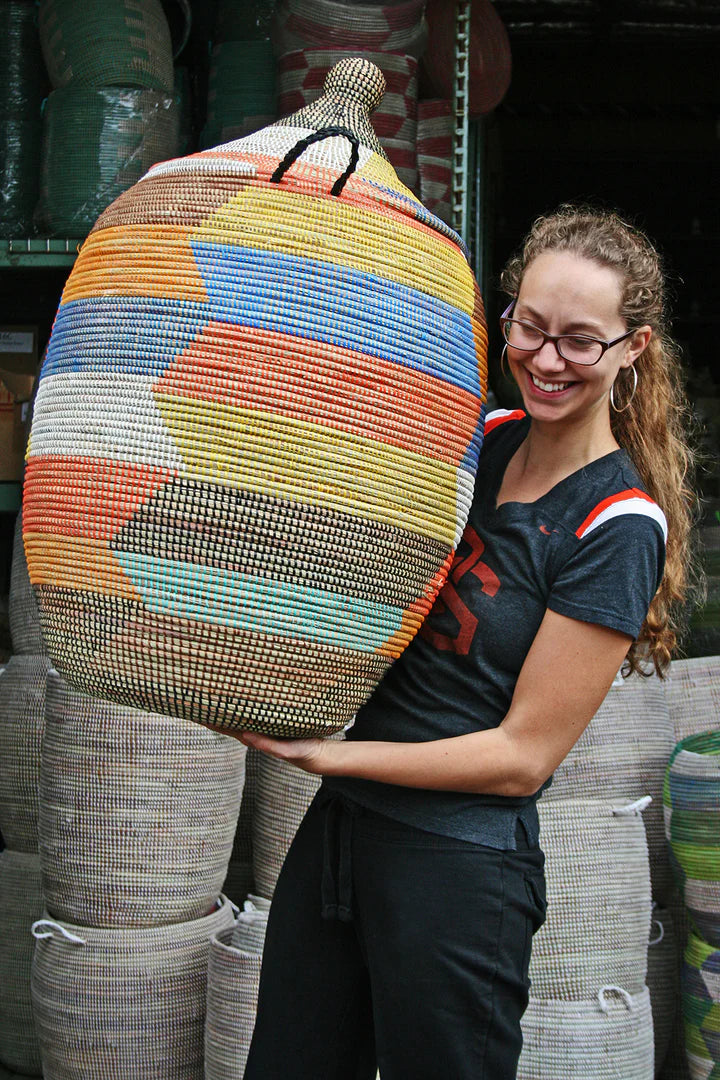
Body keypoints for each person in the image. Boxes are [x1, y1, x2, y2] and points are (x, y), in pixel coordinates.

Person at [238, 204, 697, 1080]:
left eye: (579, 340)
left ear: (632, 349)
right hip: (342, 838)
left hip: (456, 869)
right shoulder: (478, 438)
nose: (545, 359)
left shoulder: (616, 523)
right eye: (528, 326)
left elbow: (522, 758)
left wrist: (338, 757)